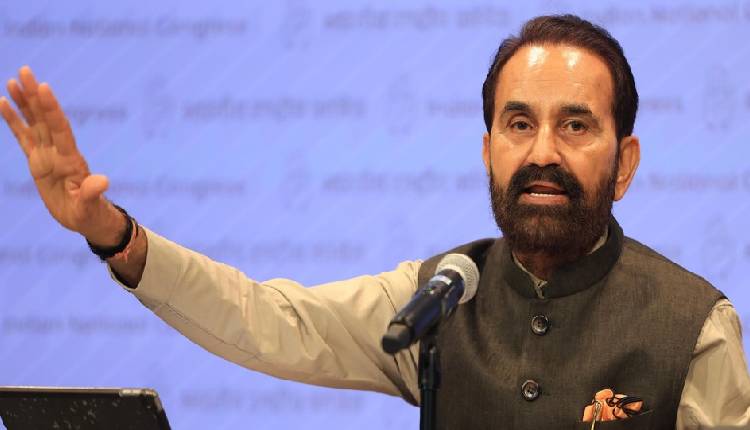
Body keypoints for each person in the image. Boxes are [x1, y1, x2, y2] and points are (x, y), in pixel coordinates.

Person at [1, 14, 748, 429]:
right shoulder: (443, 295)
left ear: (625, 162)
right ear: (488, 151)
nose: (542, 152)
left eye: (576, 125)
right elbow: (265, 319)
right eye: (519, 124)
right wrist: (115, 235)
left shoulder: (693, 327)